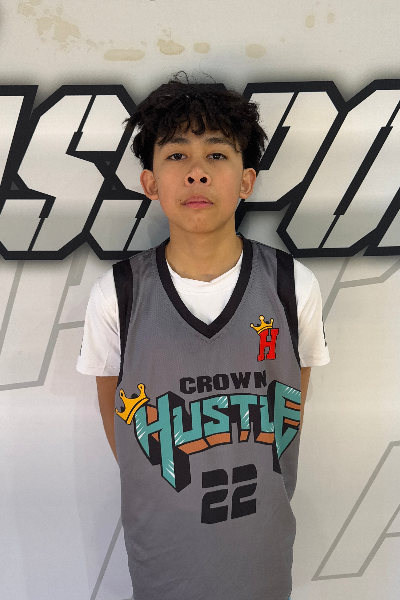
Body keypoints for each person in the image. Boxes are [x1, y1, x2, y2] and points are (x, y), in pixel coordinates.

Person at [77, 75, 329, 600]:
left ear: (246, 181)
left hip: (260, 557)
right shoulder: (117, 295)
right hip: (164, 560)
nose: (196, 172)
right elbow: (122, 427)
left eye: (217, 154)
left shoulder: (293, 286)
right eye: (177, 156)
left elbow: (289, 410)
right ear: (150, 183)